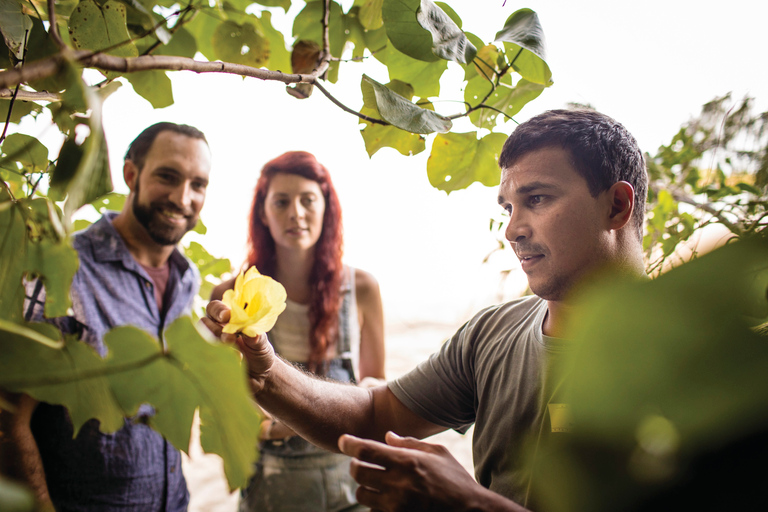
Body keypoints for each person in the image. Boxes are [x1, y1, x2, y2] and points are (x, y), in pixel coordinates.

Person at [202, 109, 648, 511]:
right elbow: (374, 415)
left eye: (537, 199)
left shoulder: (695, 357)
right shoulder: (492, 333)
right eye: (509, 206)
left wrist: (469, 504)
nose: (512, 228)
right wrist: (267, 376)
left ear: (616, 205)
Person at [4, 122, 212, 511]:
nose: (183, 197)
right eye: (167, 176)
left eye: (198, 184)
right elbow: (10, 418)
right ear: (131, 174)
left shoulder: (188, 279)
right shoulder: (66, 270)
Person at [210, 151, 386, 512]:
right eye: (281, 201)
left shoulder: (361, 286)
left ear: (327, 208)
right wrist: (274, 427)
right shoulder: (231, 295)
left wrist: (335, 407)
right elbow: (224, 400)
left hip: (349, 484)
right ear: (263, 212)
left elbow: (376, 383)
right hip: (269, 485)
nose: (296, 213)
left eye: (308, 200)